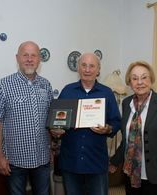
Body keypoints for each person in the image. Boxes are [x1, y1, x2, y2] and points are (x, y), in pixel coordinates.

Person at [0, 41, 53, 195]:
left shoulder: (46, 85)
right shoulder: (3, 85)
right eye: (25, 55)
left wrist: (50, 149)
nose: (29, 59)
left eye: (33, 55)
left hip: (42, 158)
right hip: (14, 161)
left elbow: (49, 120)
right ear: (17, 58)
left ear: (39, 59)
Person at [109, 61, 157, 195]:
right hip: (130, 175)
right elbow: (127, 140)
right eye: (134, 78)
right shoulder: (127, 104)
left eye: (144, 77)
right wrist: (114, 161)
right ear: (129, 82)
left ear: (151, 80)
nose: (139, 82)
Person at [50, 53, 121, 195]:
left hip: (96, 162)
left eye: (91, 66)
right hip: (71, 161)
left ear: (98, 70)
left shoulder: (106, 93)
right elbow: (57, 121)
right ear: (78, 68)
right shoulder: (67, 91)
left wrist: (108, 129)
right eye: (84, 65)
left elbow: (116, 121)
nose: (87, 69)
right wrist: (55, 130)